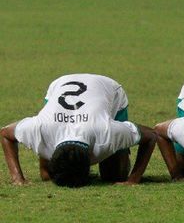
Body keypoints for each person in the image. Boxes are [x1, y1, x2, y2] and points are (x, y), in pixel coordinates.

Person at [0, 74, 156, 187]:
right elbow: (5, 134)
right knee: (46, 176)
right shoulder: (40, 128)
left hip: (109, 89)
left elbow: (150, 136)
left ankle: (121, 151)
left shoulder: (108, 133)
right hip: (60, 85)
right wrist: (17, 178)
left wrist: (133, 179)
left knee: (114, 175)